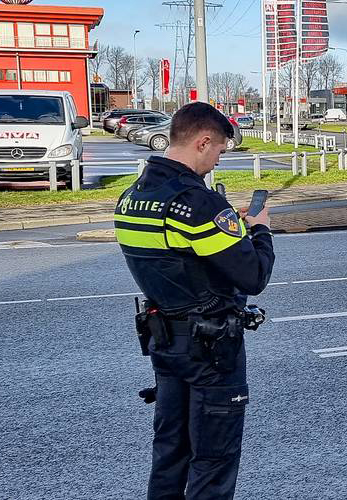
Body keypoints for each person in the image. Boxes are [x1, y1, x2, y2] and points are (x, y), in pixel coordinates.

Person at [114, 101, 275, 499]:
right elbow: (253, 275)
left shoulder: (132, 196)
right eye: (219, 150)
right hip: (211, 352)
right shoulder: (198, 204)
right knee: (213, 462)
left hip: (166, 344)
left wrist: (227, 228)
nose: (217, 160)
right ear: (203, 141)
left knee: (170, 454)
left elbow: (180, 259)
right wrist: (259, 230)